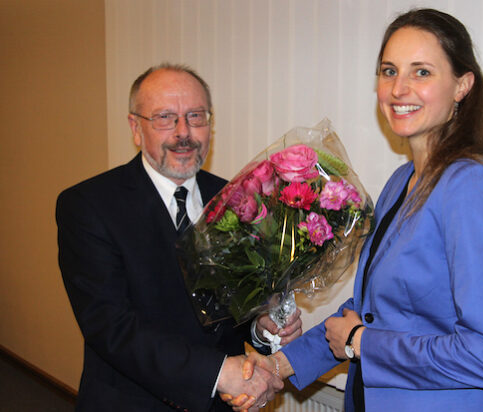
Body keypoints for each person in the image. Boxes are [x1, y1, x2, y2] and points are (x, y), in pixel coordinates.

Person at [227, 8, 483, 412]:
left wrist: (361, 344)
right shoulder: (400, 182)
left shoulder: (470, 187)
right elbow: (368, 313)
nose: (399, 88)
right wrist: (277, 366)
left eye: (421, 72)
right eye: (389, 71)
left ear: (462, 85)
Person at [56, 63, 301, 412]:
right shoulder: (89, 205)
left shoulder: (236, 199)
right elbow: (112, 328)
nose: (183, 132)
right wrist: (215, 373)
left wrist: (261, 327)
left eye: (196, 116)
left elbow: (232, 316)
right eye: (165, 117)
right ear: (135, 128)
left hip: (222, 404)